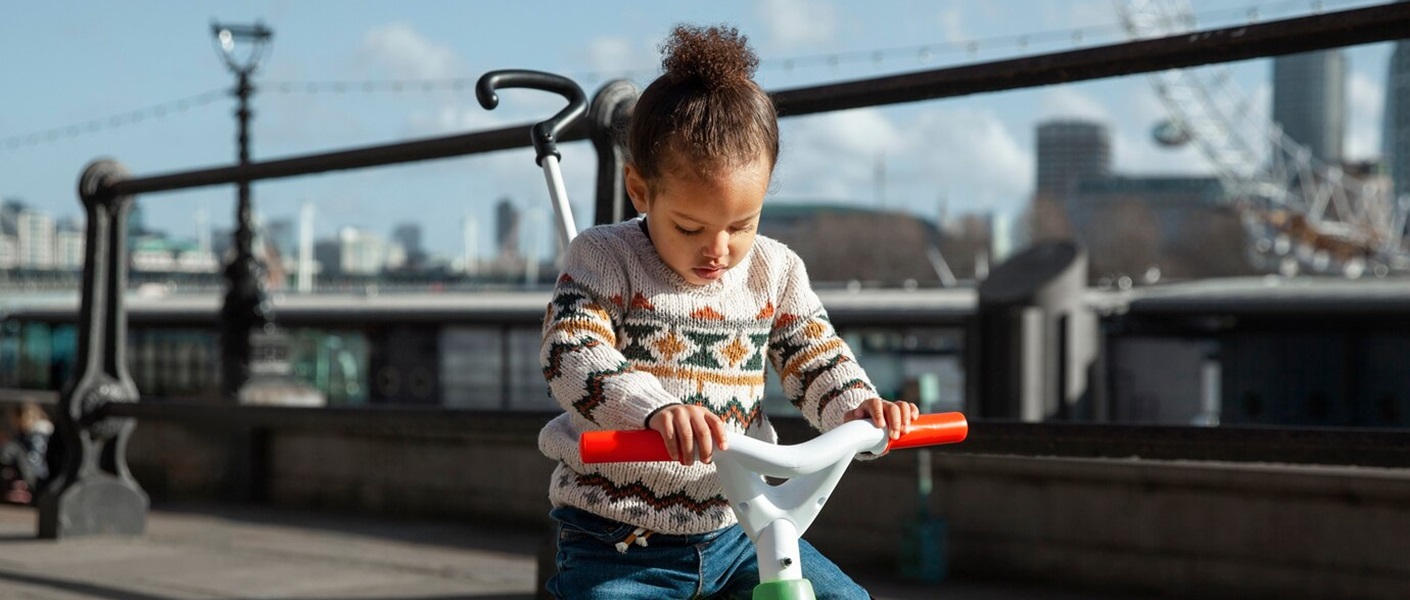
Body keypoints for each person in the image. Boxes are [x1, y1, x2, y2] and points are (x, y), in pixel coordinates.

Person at [536, 24, 919, 600]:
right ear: (640, 191)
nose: (718, 249)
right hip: (618, 537)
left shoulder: (775, 270)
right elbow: (571, 354)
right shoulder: (603, 258)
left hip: (741, 528)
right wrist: (654, 409)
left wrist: (857, 410)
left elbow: (815, 355)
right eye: (689, 227)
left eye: (742, 224)